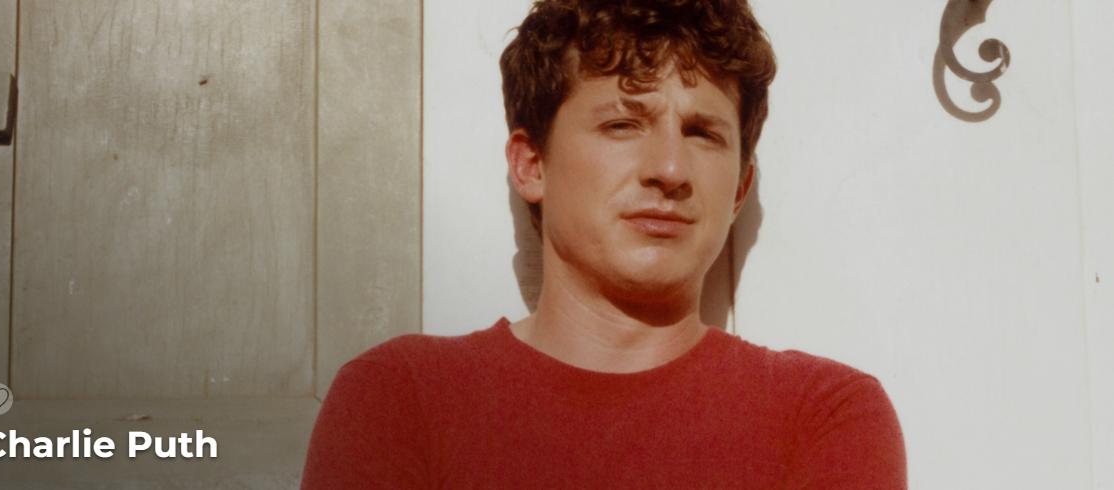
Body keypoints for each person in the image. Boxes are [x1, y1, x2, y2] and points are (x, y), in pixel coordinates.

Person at [302, 0, 907, 488]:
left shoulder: (822, 416)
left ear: (740, 189)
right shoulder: (400, 400)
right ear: (531, 164)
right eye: (623, 124)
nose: (670, 169)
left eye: (703, 133)